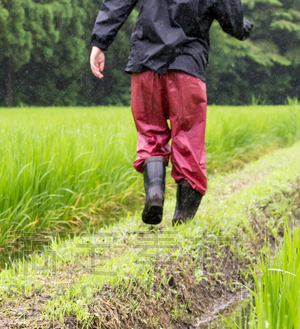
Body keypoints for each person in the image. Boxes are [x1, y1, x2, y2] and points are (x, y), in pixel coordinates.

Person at [90, 0, 252, 226]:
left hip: (146, 60)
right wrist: (241, 27)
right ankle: (182, 218)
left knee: (150, 133)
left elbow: (118, 3)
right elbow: (228, 12)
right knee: (189, 137)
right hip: (187, 64)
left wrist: (100, 42)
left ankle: (155, 194)